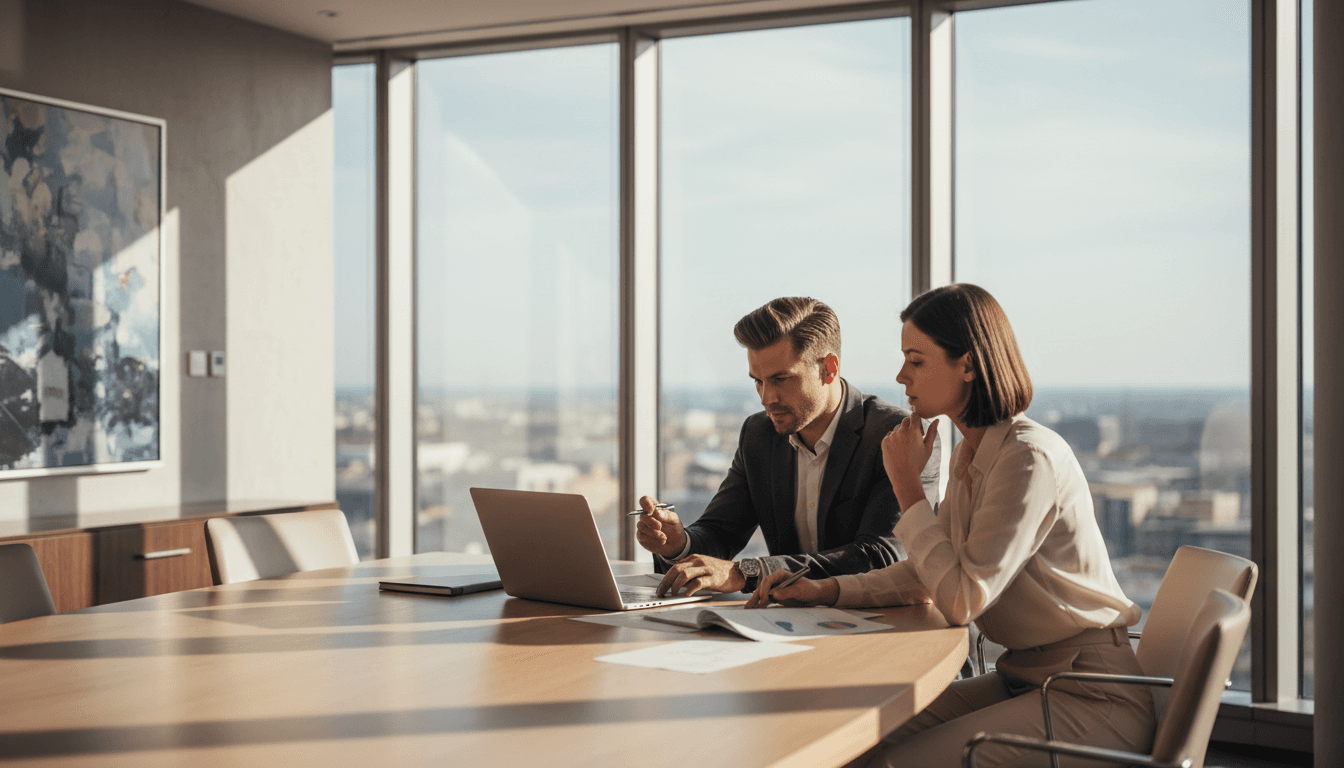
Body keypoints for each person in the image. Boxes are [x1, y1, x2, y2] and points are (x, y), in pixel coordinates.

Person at [747, 284, 1155, 768]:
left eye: (916, 361)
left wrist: (908, 488)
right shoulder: (974, 451)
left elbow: (962, 599)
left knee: (896, 764)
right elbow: (928, 574)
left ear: (967, 364)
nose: (901, 375)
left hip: (1090, 695)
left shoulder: (1028, 458)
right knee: (857, 743)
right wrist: (825, 590)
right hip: (1023, 676)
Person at [638, 296, 941, 598]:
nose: (766, 398)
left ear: (829, 368)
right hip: (785, 624)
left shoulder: (898, 437)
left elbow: (881, 556)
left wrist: (748, 572)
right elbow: (722, 532)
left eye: (781, 379)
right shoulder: (758, 434)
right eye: (758, 381)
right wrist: (678, 544)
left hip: (883, 628)